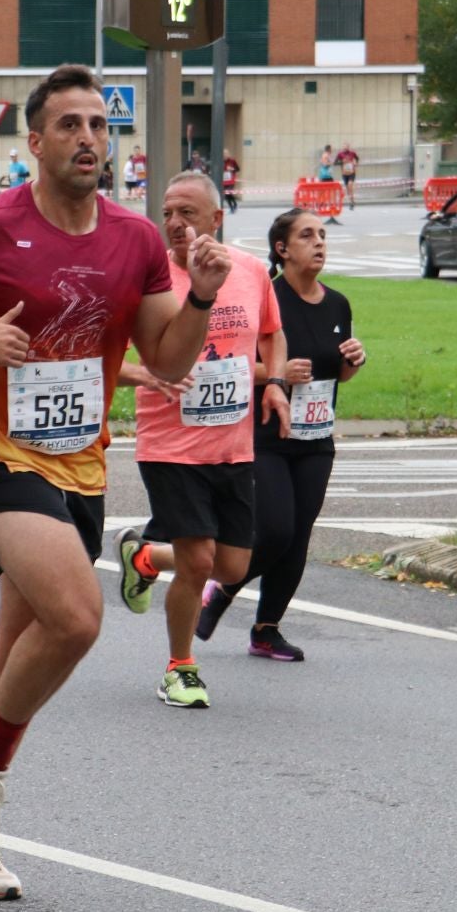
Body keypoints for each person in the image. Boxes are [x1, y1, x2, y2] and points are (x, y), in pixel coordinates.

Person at [0, 64, 228, 901]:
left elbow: (167, 361)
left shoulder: (136, 239)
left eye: (100, 126)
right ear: (34, 142)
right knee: (75, 618)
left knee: (15, 650)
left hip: (82, 459)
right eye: (69, 125)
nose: (89, 140)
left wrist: (201, 300)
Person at [114, 172, 286, 710]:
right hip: (170, 445)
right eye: (167, 212)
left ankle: (143, 559)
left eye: (187, 213)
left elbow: (272, 333)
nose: (174, 223)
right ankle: (179, 667)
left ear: (217, 219)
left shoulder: (251, 270)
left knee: (231, 567)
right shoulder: (149, 279)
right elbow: (100, 352)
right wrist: (144, 376)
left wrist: (276, 382)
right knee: (197, 561)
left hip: (231, 444)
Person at [186, 208, 367, 660]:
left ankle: (267, 630)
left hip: (316, 437)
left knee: (299, 535)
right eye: (307, 236)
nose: (319, 243)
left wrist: (352, 360)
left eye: (323, 235)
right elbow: (230, 361)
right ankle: (223, 590)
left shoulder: (338, 303)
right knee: (274, 531)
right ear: (282, 249)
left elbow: (338, 376)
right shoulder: (267, 296)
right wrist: (277, 374)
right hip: (267, 434)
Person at [336, 142, 359, 209]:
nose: (346, 148)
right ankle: (352, 201)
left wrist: (355, 163)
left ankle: (351, 202)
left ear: (348, 147)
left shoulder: (352, 153)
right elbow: (335, 162)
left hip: (352, 172)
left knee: (350, 184)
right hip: (345, 174)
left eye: (347, 147)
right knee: (348, 188)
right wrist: (342, 162)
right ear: (343, 148)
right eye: (344, 147)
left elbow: (357, 158)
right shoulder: (340, 154)